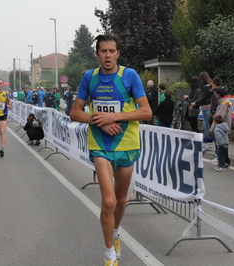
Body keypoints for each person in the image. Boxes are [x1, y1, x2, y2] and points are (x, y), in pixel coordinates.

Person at [70, 34, 151, 266]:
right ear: (97, 53)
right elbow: (75, 112)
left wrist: (115, 116)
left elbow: (146, 112)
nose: (107, 55)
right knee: (108, 201)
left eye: (111, 51)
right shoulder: (89, 78)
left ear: (118, 53)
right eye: (103, 51)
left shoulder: (130, 75)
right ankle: (109, 254)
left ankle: (116, 233)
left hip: (127, 145)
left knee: (121, 200)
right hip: (100, 145)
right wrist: (99, 121)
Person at [210, 87, 231, 166]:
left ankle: (223, 161)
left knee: (221, 144)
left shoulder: (222, 105)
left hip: (220, 127)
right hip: (223, 126)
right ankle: (225, 160)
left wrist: (212, 129)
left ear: (218, 95)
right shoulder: (224, 104)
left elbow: (218, 118)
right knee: (222, 143)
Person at [190, 71, 213, 142]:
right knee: (207, 123)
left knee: (206, 125)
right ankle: (208, 137)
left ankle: (208, 138)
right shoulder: (211, 86)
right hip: (209, 106)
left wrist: (195, 103)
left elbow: (202, 97)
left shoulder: (206, 87)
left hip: (206, 107)